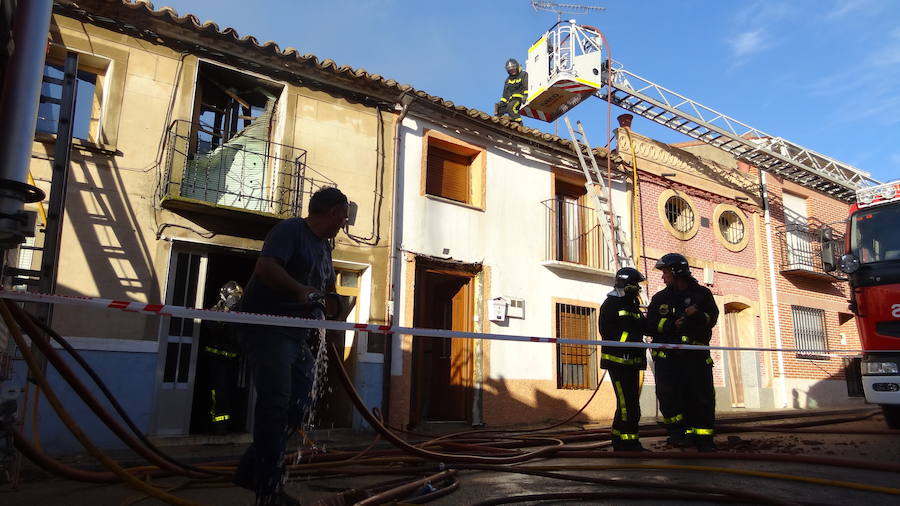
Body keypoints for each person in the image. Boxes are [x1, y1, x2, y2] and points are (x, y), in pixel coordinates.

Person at [233, 187, 350, 506]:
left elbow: (327, 289)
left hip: (294, 334)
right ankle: (268, 489)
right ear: (332, 212)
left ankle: (250, 470)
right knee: (276, 403)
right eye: (343, 215)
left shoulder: (324, 248)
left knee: (299, 400)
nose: (345, 222)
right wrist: (300, 291)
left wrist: (335, 306)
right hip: (267, 327)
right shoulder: (289, 231)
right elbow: (266, 268)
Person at [646, 253, 720, 452]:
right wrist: (671, 325)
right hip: (668, 360)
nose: (663, 277)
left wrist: (696, 315)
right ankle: (677, 434)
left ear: (676, 272)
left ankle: (703, 438)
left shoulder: (702, 295)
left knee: (701, 397)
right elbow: (650, 326)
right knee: (669, 397)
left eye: (665, 273)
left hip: (695, 358)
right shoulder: (660, 298)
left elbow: (711, 320)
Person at [599, 267, 648, 451]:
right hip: (618, 362)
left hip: (633, 362)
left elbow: (643, 327)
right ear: (626, 284)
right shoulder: (610, 304)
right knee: (628, 405)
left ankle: (621, 440)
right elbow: (608, 332)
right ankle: (628, 443)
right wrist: (631, 340)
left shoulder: (632, 304)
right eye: (635, 284)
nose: (638, 288)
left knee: (630, 403)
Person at [494, 58, 528, 123]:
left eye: (514, 69)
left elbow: (526, 85)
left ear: (517, 67)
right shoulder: (508, 80)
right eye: (510, 70)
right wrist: (502, 103)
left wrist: (525, 95)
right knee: (499, 108)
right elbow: (505, 93)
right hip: (510, 99)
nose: (513, 71)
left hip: (519, 98)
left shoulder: (523, 74)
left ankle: (518, 123)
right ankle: (500, 123)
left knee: (510, 107)